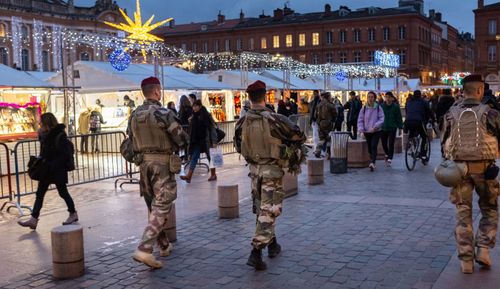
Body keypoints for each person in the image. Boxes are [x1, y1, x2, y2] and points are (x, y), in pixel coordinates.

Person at [234, 80, 306, 271]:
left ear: (249, 98)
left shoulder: (242, 121)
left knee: (261, 209)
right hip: (271, 172)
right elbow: (299, 135)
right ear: (265, 96)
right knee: (270, 210)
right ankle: (256, 252)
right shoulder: (275, 119)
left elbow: (237, 145)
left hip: (254, 171)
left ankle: (273, 245)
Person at [441, 74, 500, 274]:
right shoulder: (490, 113)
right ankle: (483, 249)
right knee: (489, 210)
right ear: (480, 91)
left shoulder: (451, 113)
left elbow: (444, 142)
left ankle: (466, 260)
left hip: (459, 172)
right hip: (485, 170)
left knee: (462, 214)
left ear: (463, 92)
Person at [127, 76, 188, 269]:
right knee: (162, 205)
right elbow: (181, 138)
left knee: (153, 205)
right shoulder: (163, 113)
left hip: (144, 165)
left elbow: (130, 139)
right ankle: (144, 249)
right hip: (162, 164)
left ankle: (163, 245)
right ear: (156, 91)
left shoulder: (135, 114)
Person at [18, 113, 77, 230]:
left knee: (63, 192)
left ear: (47, 123)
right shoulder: (44, 135)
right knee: (39, 194)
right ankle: (33, 219)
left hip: (57, 169)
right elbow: (45, 152)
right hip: (47, 169)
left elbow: (64, 154)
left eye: (41, 122)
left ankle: (73, 213)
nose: (39, 124)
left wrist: (52, 164)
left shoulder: (59, 135)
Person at [180, 99, 218, 183]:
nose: (194, 108)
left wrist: (214, 141)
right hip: (196, 140)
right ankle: (189, 176)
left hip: (206, 140)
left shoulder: (206, 115)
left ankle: (213, 174)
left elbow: (212, 128)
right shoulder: (193, 116)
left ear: (200, 106)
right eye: (193, 106)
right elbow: (193, 129)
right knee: (194, 157)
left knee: (210, 157)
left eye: (196, 106)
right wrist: (190, 122)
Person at [358, 91, 385, 171]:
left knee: (373, 145)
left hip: (376, 131)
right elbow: (360, 120)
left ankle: (373, 162)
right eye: (369, 97)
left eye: (372, 97)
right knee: (369, 147)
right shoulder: (364, 108)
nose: (370, 98)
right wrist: (361, 130)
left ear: (374, 98)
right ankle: (371, 160)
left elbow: (382, 118)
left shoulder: (378, 108)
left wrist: (375, 127)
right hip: (367, 131)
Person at [405, 90, 431, 164]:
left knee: (412, 134)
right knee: (424, 137)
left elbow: (407, 111)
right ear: (420, 95)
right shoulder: (423, 102)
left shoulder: (409, 102)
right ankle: (423, 155)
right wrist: (431, 119)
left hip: (408, 122)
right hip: (419, 122)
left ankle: (410, 146)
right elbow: (428, 111)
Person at [380, 92, 403, 167]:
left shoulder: (396, 107)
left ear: (392, 98)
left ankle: (390, 158)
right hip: (383, 127)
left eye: (389, 97)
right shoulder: (382, 106)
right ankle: (387, 153)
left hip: (392, 127)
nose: (387, 99)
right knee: (383, 143)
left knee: (391, 143)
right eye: (386, 97)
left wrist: (400, 128)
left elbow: (399, 117)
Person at [314, 92, 337, 159]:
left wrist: (319, 122)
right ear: (328, 97)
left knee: (321, 139)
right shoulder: (330, 105)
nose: (331, 97)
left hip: (320, 123)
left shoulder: (319, 105)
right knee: (329, 139)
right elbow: (335, 114)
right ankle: (328, 154)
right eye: (330, 96)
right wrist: (333, 121)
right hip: (328, 123)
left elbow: (315, 115)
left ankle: (317, 151)